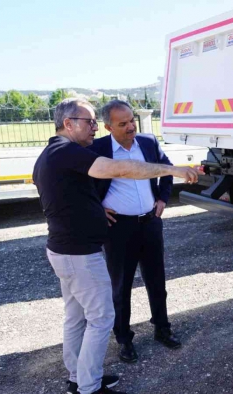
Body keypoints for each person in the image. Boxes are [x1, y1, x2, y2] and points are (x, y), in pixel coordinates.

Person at [32, 98, 198, 394]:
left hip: (67, 250)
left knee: (76, 317)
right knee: (101, 318)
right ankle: (90, 387)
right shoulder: (66, 151)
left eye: (96, 122)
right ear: (68, 124)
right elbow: (120, 170)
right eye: (90, 122)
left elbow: (73, 197)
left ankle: (77, 378)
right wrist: (173, 171)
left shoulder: (52, 153)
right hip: (80, 254)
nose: (94, 128)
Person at [87, 100, 179, 364]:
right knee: (121, 286)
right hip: (118, 229)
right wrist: (96, 209)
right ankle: (124, 339)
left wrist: (162, 199)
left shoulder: (148, 142)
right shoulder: (98, 149)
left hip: (150, 223)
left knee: (157, 281)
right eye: (123, 123)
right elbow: (79, 184)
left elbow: (168, 170)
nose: (130, 127)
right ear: (108, 127)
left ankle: (162, 329)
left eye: (131, 120)